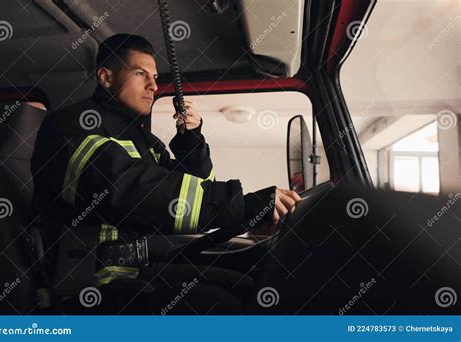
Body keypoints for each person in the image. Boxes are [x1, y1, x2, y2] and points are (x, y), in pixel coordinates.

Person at [31, 34, 301, 314]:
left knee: (245, 287)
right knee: (226, 307)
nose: (153, 86)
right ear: (106, 77)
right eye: (140, 73)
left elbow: (188, 190)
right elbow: (130, 192)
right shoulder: (71, 127)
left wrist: (190, 143)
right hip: (88, 284)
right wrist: (243, 205)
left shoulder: (142, 139)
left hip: (136, 270)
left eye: (155, 76)